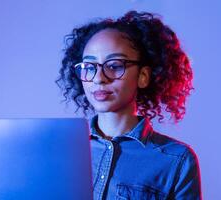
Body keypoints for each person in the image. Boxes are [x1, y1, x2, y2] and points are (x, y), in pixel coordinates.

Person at [56, 10, 202, 200]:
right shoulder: (60, 150)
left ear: (143, 76)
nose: (99, 78)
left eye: (115, 65)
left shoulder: (177, 160)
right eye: (90, 67)